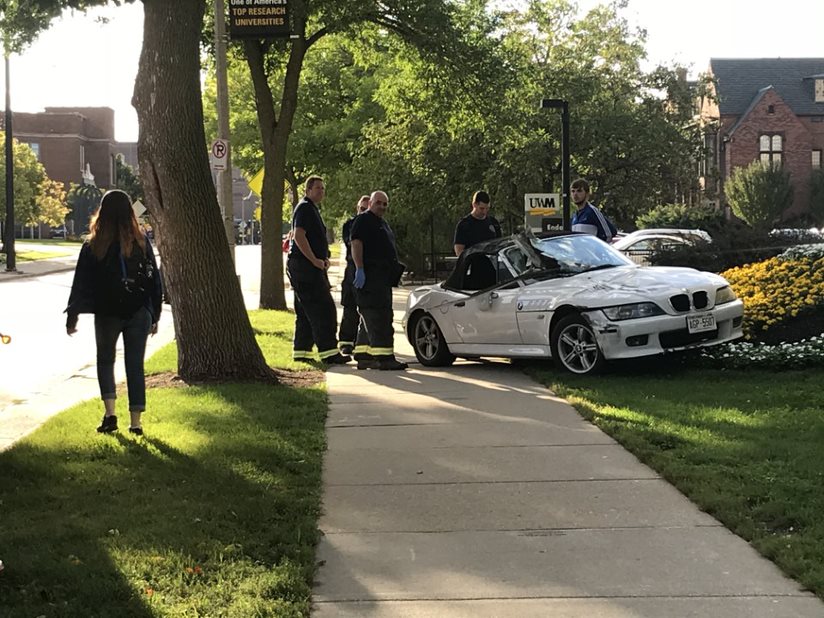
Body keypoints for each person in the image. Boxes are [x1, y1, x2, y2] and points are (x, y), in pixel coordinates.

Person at [64, 189, 162, 436]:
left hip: (107, 312)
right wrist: (155, 313)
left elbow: (81, 281)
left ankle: (110, 414)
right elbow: (154, 279)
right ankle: (136, 422)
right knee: (134, 365)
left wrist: (72, 316)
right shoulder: (141, 241)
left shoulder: (94, 244)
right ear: (130, 212)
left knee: (106, 360)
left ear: (103, 211)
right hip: (139, 311)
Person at [286, 176, 349, 365]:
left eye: (323, 188)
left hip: (307, 268)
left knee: (306, 311)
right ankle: (329, 352)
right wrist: (314, 260)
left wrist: (323, 258)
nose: (321, 191)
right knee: (324, 309)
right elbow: (299, 236)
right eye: (318, 188)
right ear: (308, 190)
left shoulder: (310, 208)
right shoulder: (305, 208)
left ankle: (302, 351)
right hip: (306, 269)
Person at [350, 191, 407, 371]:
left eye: (385, 204)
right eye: (378, 203)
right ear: (370, 203)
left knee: (369, 317)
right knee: (379, 317)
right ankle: (385, 358)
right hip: (371, 276)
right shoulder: (363, 220)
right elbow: (356, 243)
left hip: (381, 276)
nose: (382, 207)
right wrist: (360, 268)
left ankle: (363, 354)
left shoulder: (381, 223)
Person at [338, 195, 370, 356]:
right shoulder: (350, 225)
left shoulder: (375, 224)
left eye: (367, 209)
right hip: (353, 269)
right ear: (357, 208)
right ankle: (346, 342)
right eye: (361, 209)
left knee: (367, 308)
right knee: (350, 307)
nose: (363, 212)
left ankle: (364, 342)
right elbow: (351, 243)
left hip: (369, 269)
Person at [453, 190, 502, 256]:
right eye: (481, 208)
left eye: (487, 208)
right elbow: (459, 251)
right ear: (474, 205)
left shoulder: (494, 223)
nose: (484, 212)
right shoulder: (464, 225)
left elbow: (500, 246)